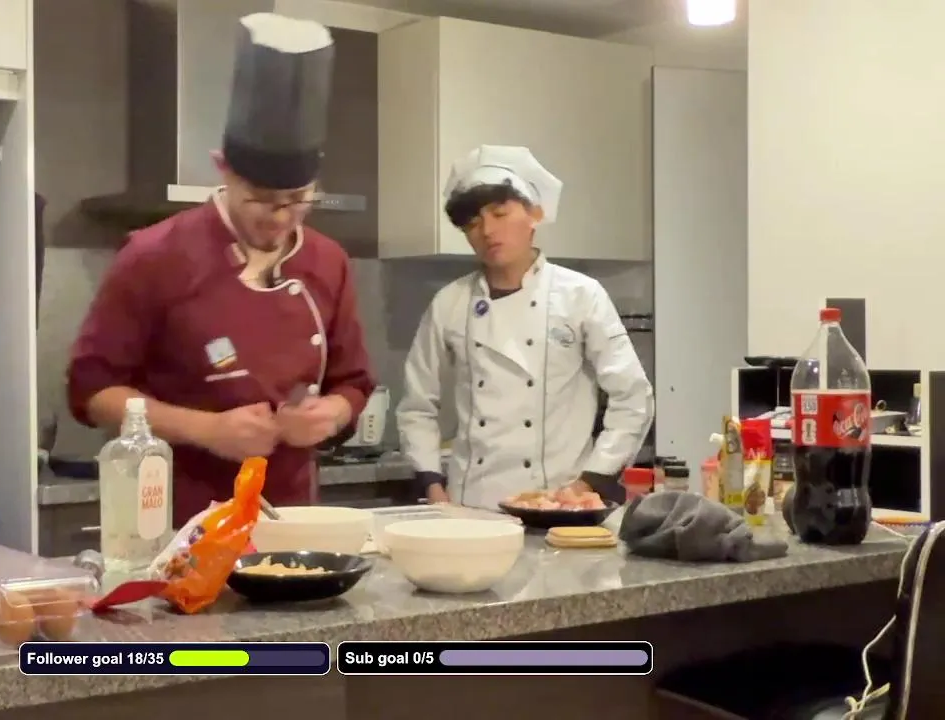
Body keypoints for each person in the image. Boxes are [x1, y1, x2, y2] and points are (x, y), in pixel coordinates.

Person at [67, 13, 375, 527]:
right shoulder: (154, 255)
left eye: (297, 200)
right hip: (177, 523)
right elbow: (93, 393)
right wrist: (206, 430)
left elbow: (353, 382)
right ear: (222, 168)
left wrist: (331, 415)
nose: (280, 219)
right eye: (261, 199)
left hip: (290, 522)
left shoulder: (328, 261)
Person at [396, 145, 653, 509]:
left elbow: (632, 397)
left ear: (535, 213)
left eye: (500, 213)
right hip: (470, 507)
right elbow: (416, 406)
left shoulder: (580, 295)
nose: (487, 231)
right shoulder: (449, 303)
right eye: (473, 223)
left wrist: (590, 481)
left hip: (557, 504)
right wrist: (432, 485)